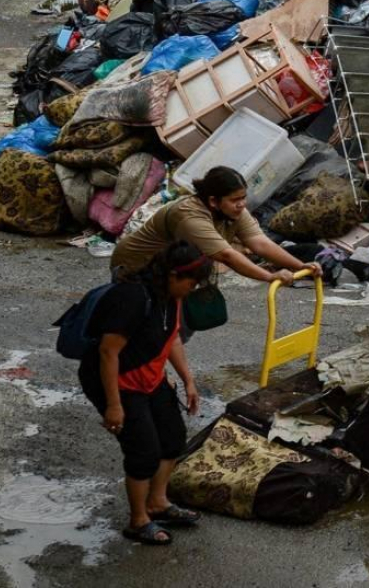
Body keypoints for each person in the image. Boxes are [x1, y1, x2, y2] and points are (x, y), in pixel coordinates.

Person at [79, 242, 213, 545]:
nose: (193, 289)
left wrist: (188, 381)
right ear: (174, 274)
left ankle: (158, 502)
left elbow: (172, 338)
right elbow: (108, 353)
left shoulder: (172, 296)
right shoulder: (132, 298)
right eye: (192, 283)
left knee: (173, 439)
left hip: (152, 379)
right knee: (143, 453)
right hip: (118, 382)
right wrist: (114, 405)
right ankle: (138, 521)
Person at [111, 166, 320, 285]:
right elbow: (226, 255)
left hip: (172, 270)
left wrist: (300, 265)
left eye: (243, 197)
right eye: (235, 199)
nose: (242, 204)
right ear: (213, 201)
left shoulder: (233, 210)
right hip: (135, 268)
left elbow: (260, 243)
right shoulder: (189, 216)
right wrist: (269, 276)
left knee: (174, 329)